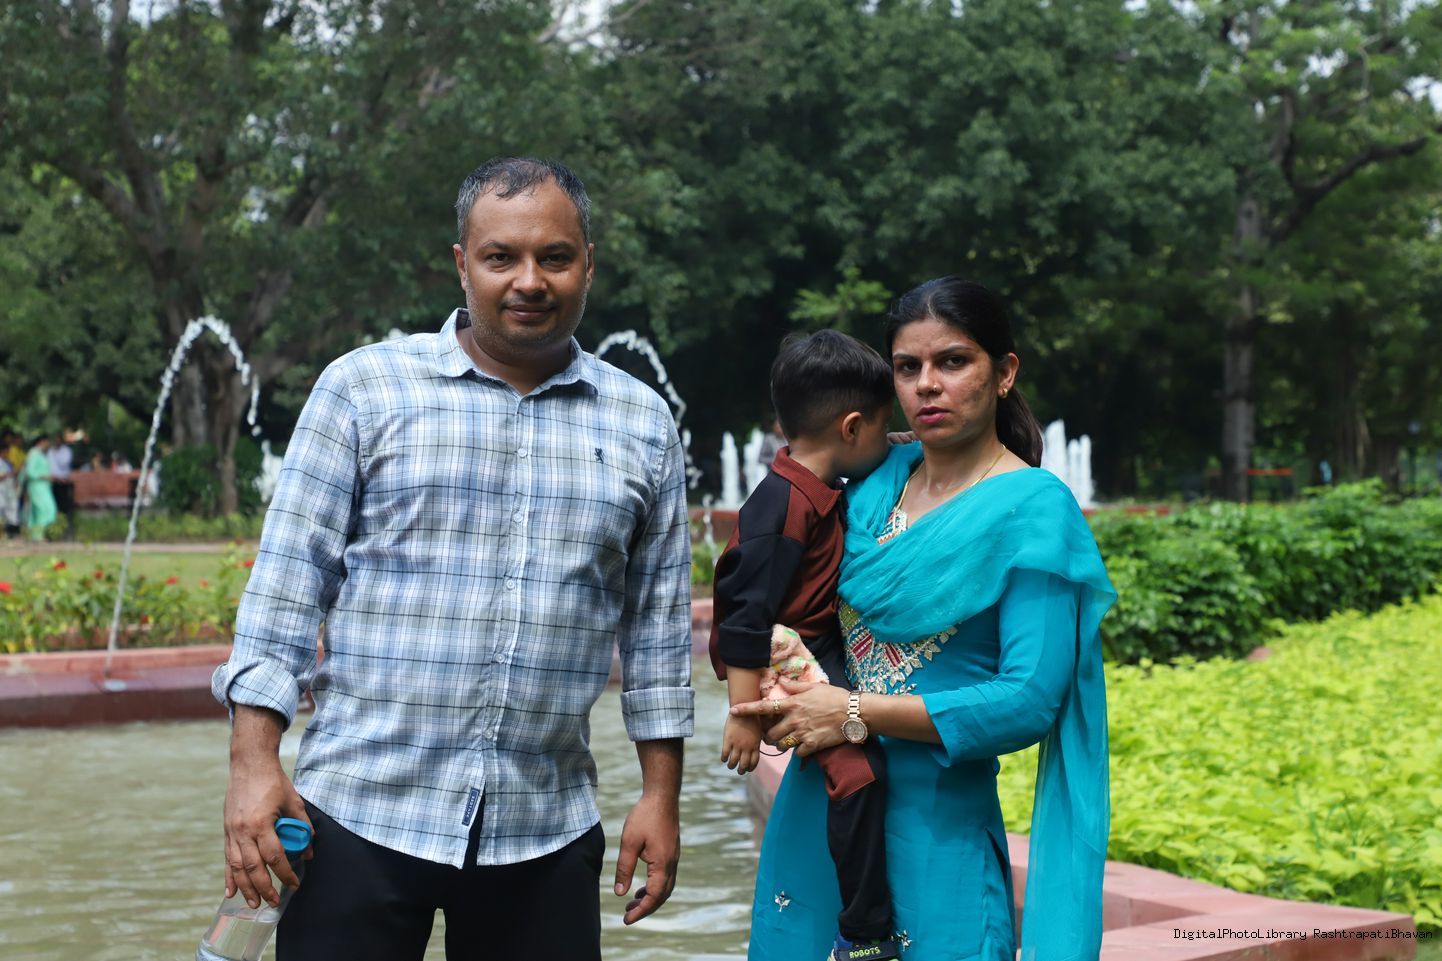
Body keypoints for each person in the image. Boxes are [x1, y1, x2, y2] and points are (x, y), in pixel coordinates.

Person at [211, 157, 694, 961]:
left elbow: (657, 633)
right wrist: (253, 765)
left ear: (588, 263)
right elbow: (284, 594)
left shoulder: (642, 423)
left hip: (543, 825)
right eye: (502, 256)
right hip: (357, 814)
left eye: (555, 257)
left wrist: (660, 794)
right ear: (463, 264)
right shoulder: (364, 390)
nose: (529, 280)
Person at [733, 277, 1114, 961]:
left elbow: (1027, 700)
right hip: (818, 811)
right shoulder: (870, 482)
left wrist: (852, 712)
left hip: (938, 833)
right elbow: (768, 586)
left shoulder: (1032, 510)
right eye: (908, 367)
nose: (927, 384)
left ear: (1004, 373)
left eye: (953, 361)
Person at [710, 330, 898, 961]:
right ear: (852, 428)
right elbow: (745, 614)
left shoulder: (813, 484)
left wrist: (905, 440)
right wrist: (745, 714)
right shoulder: (782, 505)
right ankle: (863, 932)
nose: (889, 439)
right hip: (788, 657)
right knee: (859, 773)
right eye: (883, 428)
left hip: (815, 645)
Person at [23, 435, 57, 542]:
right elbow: (29, 472)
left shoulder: (41, 454)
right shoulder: (34, 453)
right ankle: (38, 536)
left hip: (44, 487)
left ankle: (38, 535)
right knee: (43, 509)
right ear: (42, 441)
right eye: (47, 441)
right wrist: (44, 476)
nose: (48, 444)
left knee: (43, 510)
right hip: (37, 486)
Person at [48, 431, 76, 540]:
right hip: (53, 482)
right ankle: (55, 531)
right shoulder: (50, 451)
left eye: (58, 440)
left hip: (64, 483)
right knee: (53, 507)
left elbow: (63, 463)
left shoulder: (66, 451)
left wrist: (55, 454)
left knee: (65, 509)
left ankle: (67, 532)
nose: (56, 442)